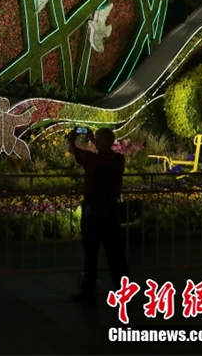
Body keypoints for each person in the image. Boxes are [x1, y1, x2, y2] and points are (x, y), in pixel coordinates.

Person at [66, 127, 128, 307]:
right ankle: (123, 292)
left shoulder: (93, 159)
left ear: (100, 141)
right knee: (115, 255)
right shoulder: (118, 159)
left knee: (91, 255)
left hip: (94, 212)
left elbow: (77, 153)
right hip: (111, 211)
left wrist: (72, 139)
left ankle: (88, 293)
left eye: (97, 139)